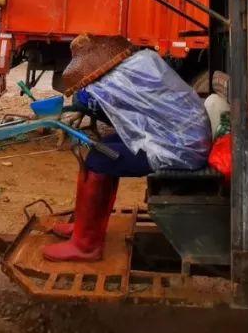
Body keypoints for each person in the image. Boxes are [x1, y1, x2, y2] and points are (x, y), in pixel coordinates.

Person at [43, 34, 212, 263]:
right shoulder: (140, 60)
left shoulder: (123, 75)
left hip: (179, 148)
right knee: (104, 148)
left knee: (99, 160)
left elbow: (87, 101)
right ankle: (83, 226)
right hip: (180, 139)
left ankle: (86, 246)